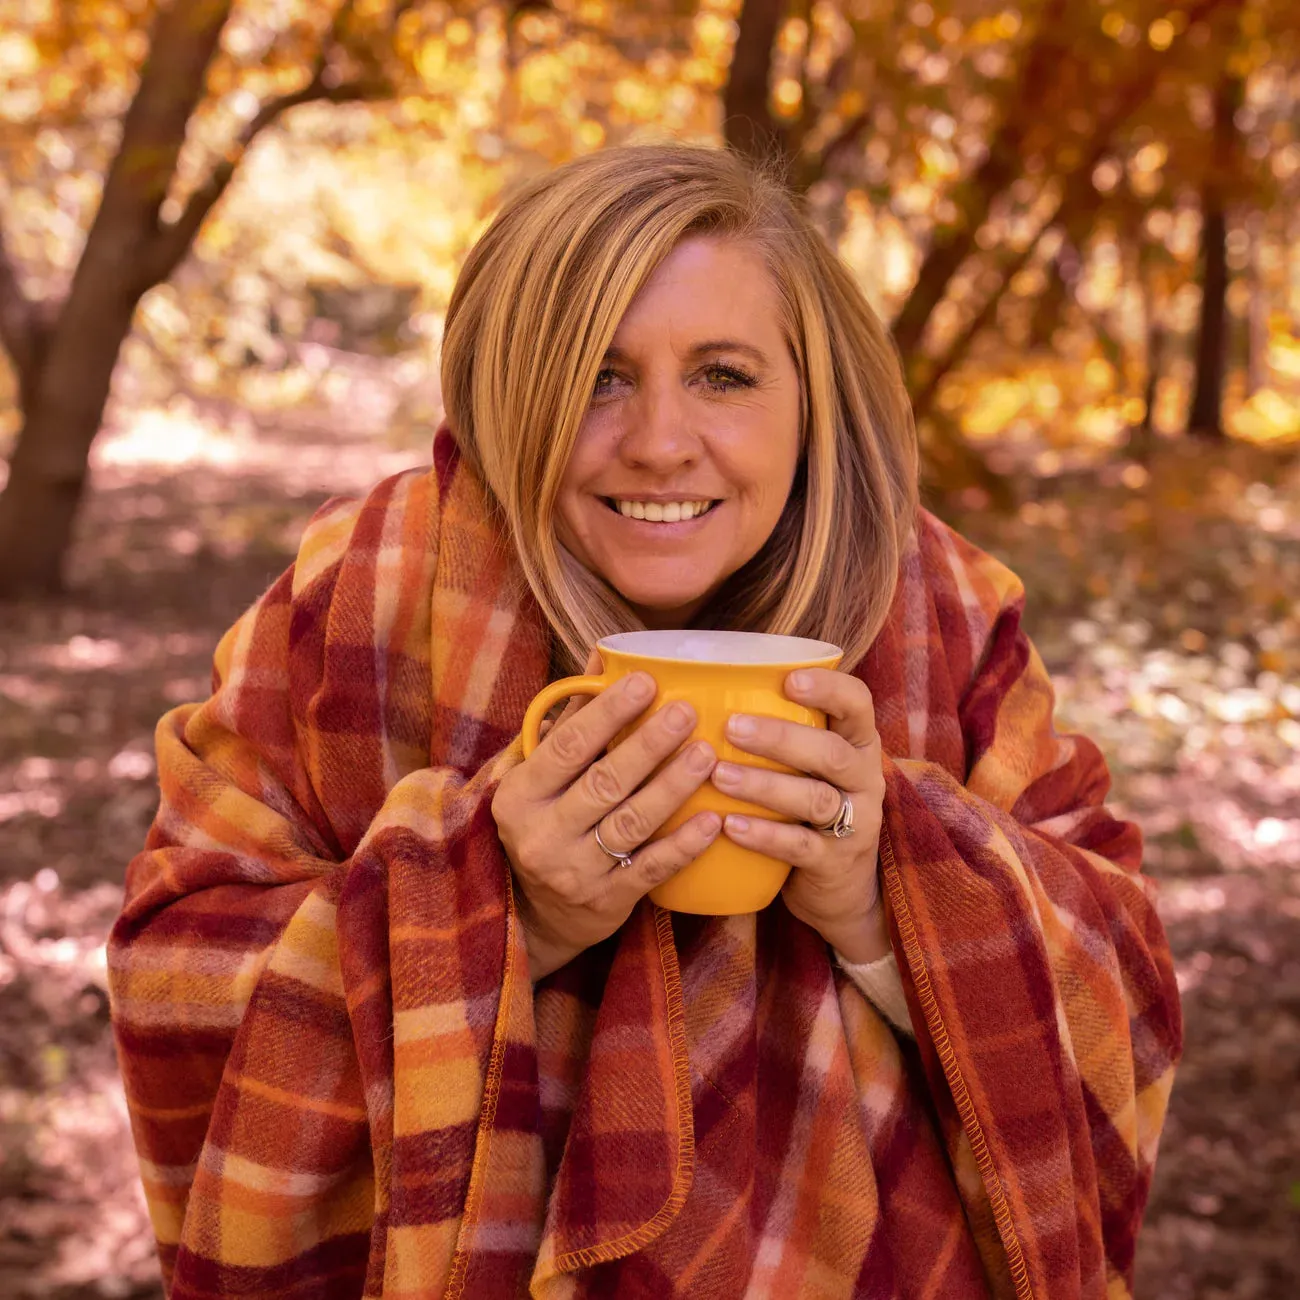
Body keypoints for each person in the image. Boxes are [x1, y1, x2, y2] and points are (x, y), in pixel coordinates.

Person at [107, 143, 1182, 1299]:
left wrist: (887, 889)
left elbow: (1123, 985)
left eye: (723, 374)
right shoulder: (364, 597)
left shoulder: (946, 616)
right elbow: (173, 980)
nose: (661, 441)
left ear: (811, 400)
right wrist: (495, 906)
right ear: (512, 394)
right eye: (597, 377)